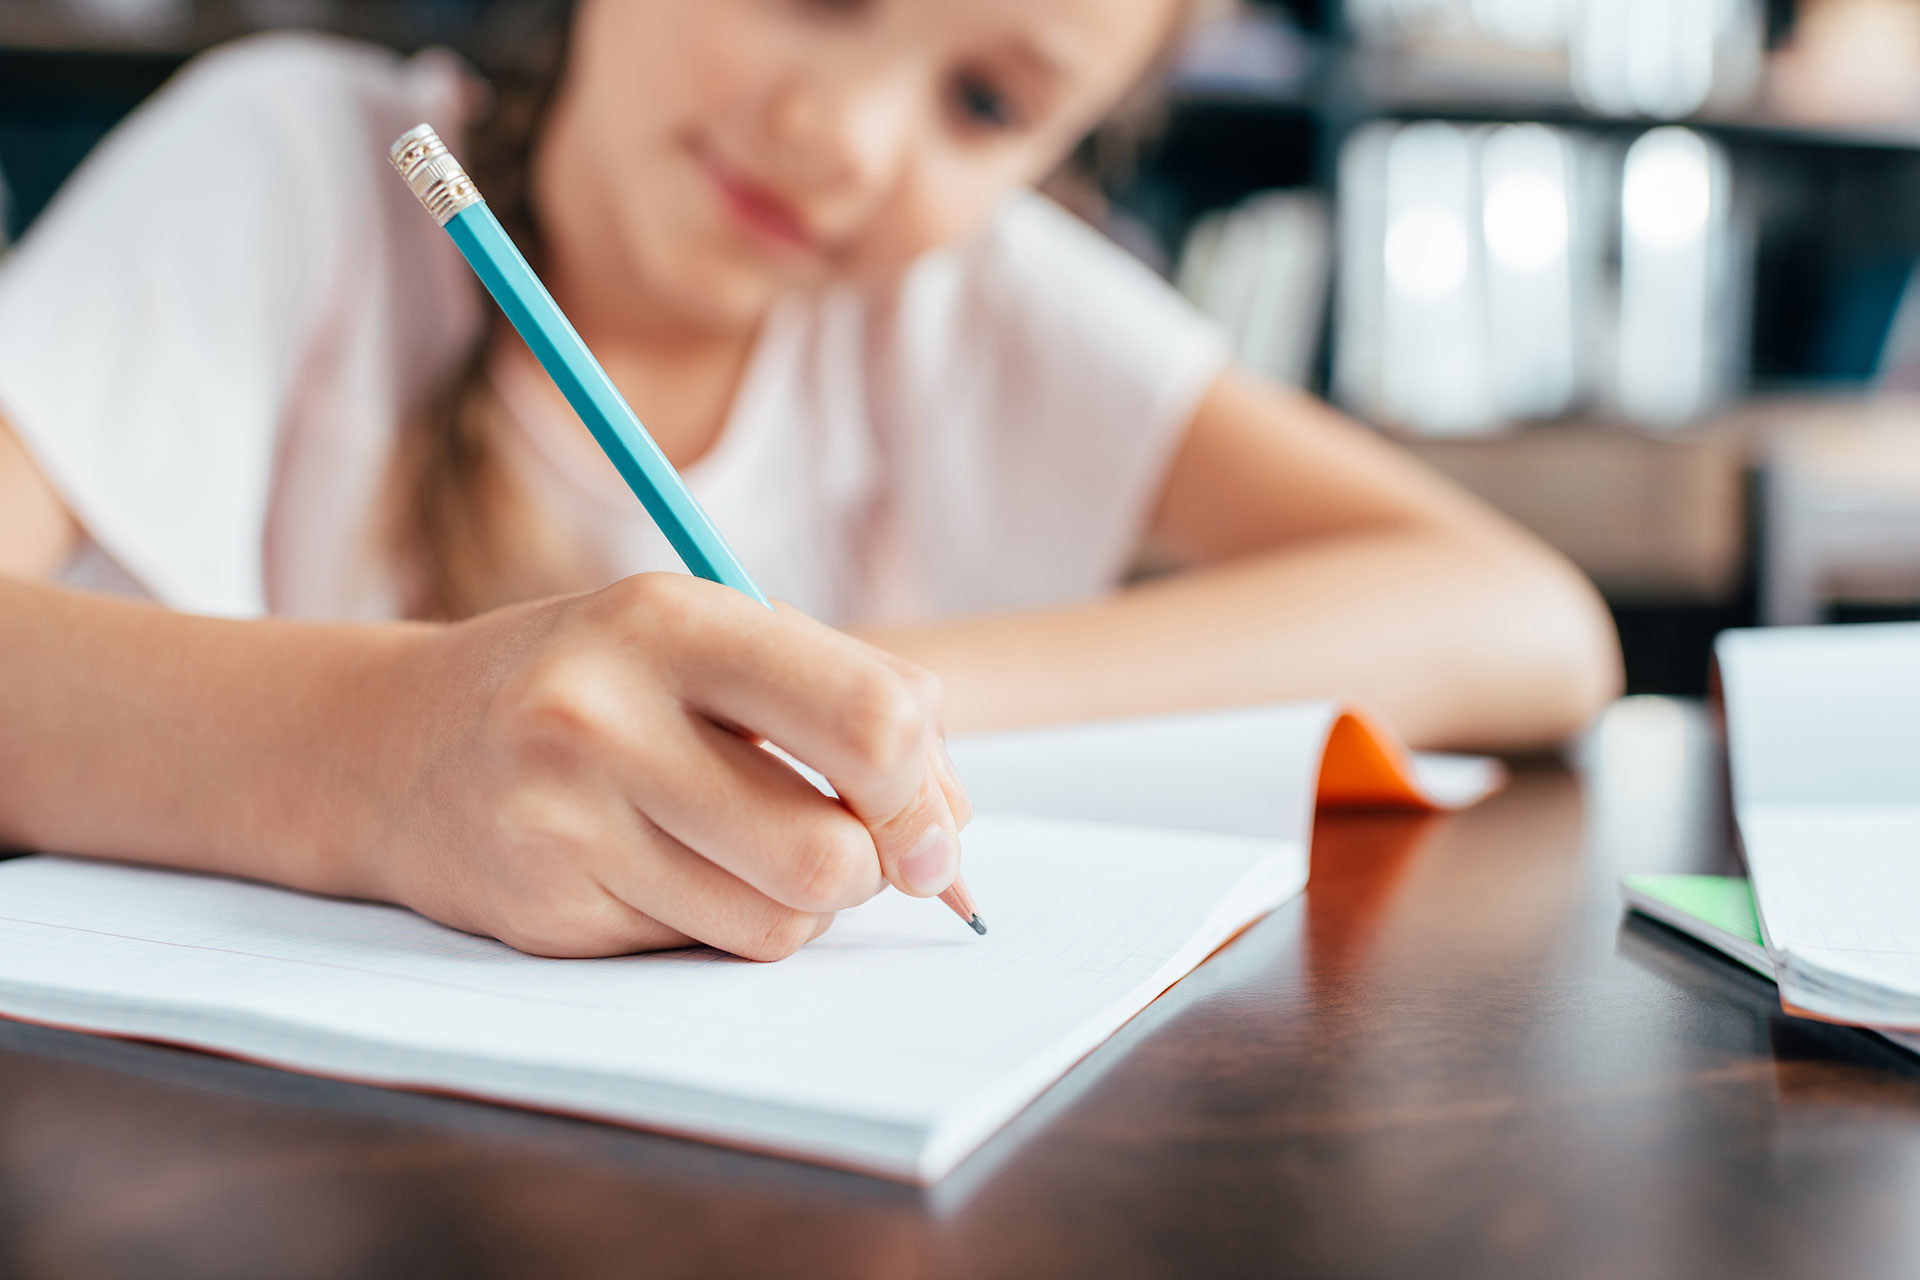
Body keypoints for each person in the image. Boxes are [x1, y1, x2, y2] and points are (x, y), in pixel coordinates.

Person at [0, 0, 1620, 961]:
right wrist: (386, 752)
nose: (838, 134)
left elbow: (1528, 617)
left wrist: (871, 708)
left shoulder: (974, 301)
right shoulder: (283, 164)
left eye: (986, 102)